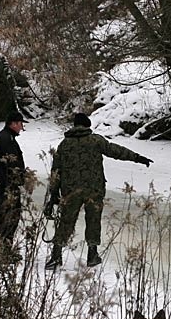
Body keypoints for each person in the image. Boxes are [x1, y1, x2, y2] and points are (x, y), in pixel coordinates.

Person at [44, 112, 153, 269]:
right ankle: (92, 254)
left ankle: (56, 256)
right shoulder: (96, 141)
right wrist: (138, 158)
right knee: (93, 221)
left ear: (74, 126)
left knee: (66, 222)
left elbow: (56, 172)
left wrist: (54, 195)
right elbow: (116, 151)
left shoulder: (64, 145)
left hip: (70, 191)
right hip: (94, 190)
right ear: (87, 125)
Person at [0, 111, 29, 253]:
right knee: (9, 218)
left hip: (4, 185)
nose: (22, 127)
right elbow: (6, 164)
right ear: (13, 123)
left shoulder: (4, 137)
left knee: (9, 217)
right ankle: (4, 251)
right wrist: (9, 183)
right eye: (20, 124)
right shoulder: (6, 139)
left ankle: (5, 249)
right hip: (7, 187)